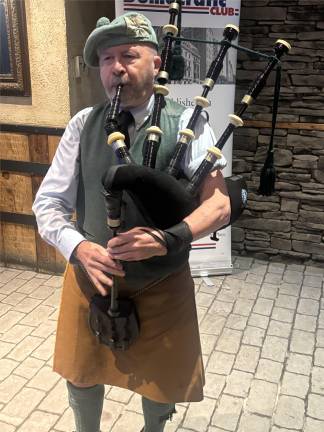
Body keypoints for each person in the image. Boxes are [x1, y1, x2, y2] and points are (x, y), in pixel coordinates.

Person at [33, 11, 230, 432]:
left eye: (129, 55)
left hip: (162, 282)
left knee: (162, 383)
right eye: (107, 58)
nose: (116, 68)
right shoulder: (82, 125)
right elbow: (48, 203)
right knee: (81, 372)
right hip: (92, 279)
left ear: (156, 63)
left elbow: (218, 206)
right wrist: (78, 248)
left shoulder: (189, 123)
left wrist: (167, 238)